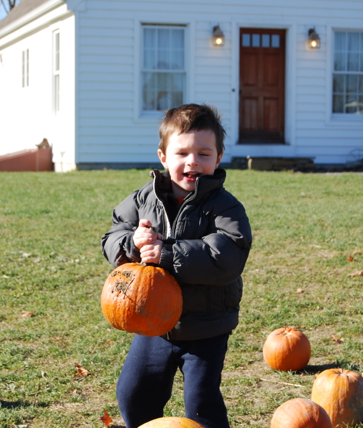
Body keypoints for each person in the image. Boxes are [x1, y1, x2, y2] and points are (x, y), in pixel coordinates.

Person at [101, 104, 252, 428]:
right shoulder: (144, 199)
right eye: (182, 152)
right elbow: (112, 235)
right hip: (153, 323)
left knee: (201, 404)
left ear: (219, 158)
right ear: (163, 157)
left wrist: (167, 254)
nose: (193, 161)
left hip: (206, 324)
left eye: (204, 153)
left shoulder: (225, 207)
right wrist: (133, 242)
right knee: (133, 393)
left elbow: (228, 256)